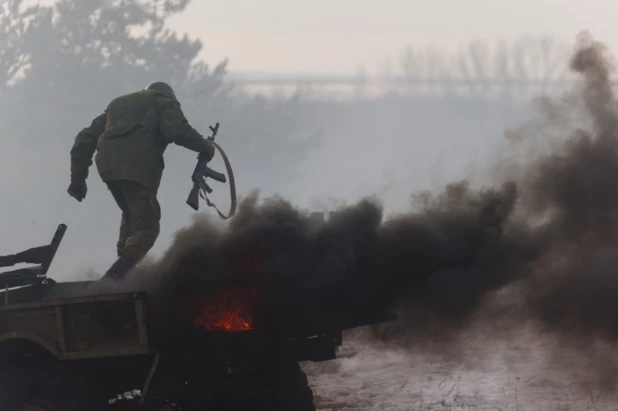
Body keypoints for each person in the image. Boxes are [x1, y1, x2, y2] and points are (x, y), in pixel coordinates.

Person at [67, 82, 215, 281]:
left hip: (108, 165)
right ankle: (114, 278)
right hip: (137, 163)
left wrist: (78, 179)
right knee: (147, 226)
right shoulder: (163, 101)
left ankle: (125, 272)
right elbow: (176, 129)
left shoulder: (116, 106)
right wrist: (205, 146)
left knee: (132, 216)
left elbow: (84, 139)